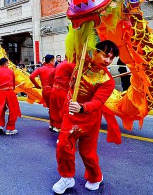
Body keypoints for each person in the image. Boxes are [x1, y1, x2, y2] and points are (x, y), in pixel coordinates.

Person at [52, 40, 119, 195]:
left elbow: (98, 101)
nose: (108, 61)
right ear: (95, 52)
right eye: (105, 55)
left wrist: (83, 107)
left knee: (87, 152)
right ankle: (67, 177)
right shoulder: (81, 62)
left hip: (89, 119)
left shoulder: (107, 81)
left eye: (111, 58)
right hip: (70, 115)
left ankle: (96, 177)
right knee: (63, 146)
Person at [0, 57, 21, 135]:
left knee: (0, 109)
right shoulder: (11, 71)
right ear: (6, 63)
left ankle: (0, 125)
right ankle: (10, 128)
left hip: (0, 92)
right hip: (10, 91)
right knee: (13, 109)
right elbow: (13, 83)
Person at [49, 57, 75, 132]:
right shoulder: (71, 65)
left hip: (54, 89)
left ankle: (52, 124)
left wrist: (52, 85)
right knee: (62, 109)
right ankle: (58, 126)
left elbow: (50, 76)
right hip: (63, 90)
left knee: (54, 108)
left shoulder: (59, 65)